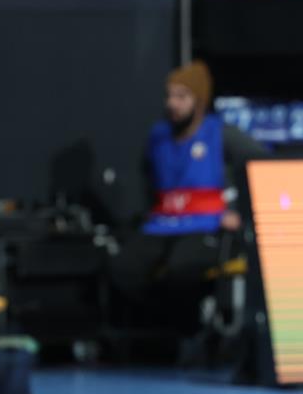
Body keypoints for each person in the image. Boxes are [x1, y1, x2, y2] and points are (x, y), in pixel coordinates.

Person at [109, 62, 266, 334]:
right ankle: (155, 333)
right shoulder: (158, 137)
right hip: (165, 223)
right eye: (169, 96)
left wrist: (238, 211)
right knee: (123, 267)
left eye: (181, 97)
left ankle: (188, 332)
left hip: (207, 224)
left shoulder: (221, 134)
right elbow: (146, 178)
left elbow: (262, 163)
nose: (172, 103)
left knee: (182, 268)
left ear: (199, 101)